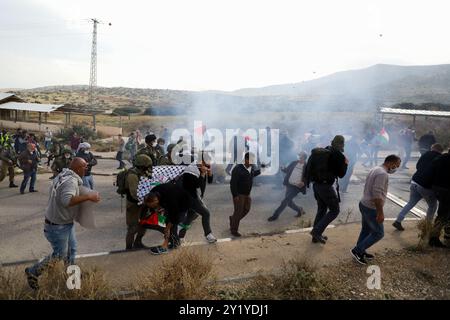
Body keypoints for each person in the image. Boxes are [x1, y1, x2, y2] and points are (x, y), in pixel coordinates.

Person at [25, 158, 101, 290]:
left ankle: (71, 277)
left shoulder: (64, 174)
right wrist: (89, 197)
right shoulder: (70, 182)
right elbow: (67, 201)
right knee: (60, 254)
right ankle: (33, 272)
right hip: (57, 226)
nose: (86, 169)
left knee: (71, 250)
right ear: (77, 169)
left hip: (63, 223)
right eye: (85, 167)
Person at [350, 155, 401, 265]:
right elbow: (377, 194)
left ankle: (361, 250)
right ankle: (357, 251)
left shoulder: (376, 168)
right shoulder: (382, 174)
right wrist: (380, 212)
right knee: (379, 233)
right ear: (390, 163)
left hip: (364, 203)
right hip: (371, 207)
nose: (396, 168)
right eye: (396, 165)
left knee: (366, 230)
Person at [304, 135, 348, 244]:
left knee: (322, 209)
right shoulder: (338, 155)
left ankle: (316, 236)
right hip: (326, 187)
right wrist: (346, 164)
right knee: (334, 210)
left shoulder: (325, 150)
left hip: (316, 185)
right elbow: (341, 174)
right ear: (342, 144)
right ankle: (317, 231)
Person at [393, 143, 443, 231]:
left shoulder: (425, 154)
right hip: (425, 186)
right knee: (432, 206)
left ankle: (398, 220)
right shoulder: (440, 158)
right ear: (440, 151)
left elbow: (417, 166)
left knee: (411, 203)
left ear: (432, 148)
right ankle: (427, 226)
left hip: (415, 181)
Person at [178, 152, 217, 244]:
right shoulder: (191, 169)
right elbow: (196, 185)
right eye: (206, 161)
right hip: (189, 196)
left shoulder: (203, 167)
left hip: (196, 195)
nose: (208, 163)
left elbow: (210, 181)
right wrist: (203, 174)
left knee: (190, 217)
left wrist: (209, 173)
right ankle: (208, 235)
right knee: (206, 213)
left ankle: (180, 236)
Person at [143, 183, 191, 255]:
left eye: (153, 206)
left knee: (173, 223)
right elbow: (158, 207)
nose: (152, 207)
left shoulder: (171, 200)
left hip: (183, 202)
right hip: (172, 197)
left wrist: (167, 228)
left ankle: (170, 245)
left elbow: (173, 217)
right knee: (167, 222)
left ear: (156, 201)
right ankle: (174, 241)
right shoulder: (153, 192)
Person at [229, 152, 262, 237]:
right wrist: (235, 195)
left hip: (247, 194)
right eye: (251, 160)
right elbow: (233, 183)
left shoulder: (251, 168)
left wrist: (261, 169)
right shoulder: (237, 169)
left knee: (247, 209)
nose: (253, 162)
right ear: (246, 160)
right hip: (239, 194)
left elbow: (252, 174)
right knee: (238, 212)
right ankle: (234, 230)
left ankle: (233, 219)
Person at [268, 151, 307, 221]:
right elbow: (287, 170)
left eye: (299, 155)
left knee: (285, 201)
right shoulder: (294, 163)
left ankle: (275, 215)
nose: (298, 156)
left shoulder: (306, 166)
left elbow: (309, 176)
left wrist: (304, 182)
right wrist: (282, 168)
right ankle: (300, 209)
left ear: (303, 157)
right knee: (288, 202)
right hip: (289, 185)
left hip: (297, 187)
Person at [124, 154, 153, 250]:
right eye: (147, 166)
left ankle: (138, 242)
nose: (148, 168)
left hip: (143, 203)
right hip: (133, 205)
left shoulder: (143, 172)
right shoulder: (132, 175)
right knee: (132, 228)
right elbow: (134, 193)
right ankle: (128, 248)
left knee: (144, 224)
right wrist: (146, 201)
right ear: (142, 165)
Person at [428, 147, 450, 248]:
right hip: (446, 190)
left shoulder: (441, 157)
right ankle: (433, 239)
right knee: (443, 215)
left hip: (437, 188)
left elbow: (432, 167)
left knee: (444, 213)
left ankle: (446, 234)